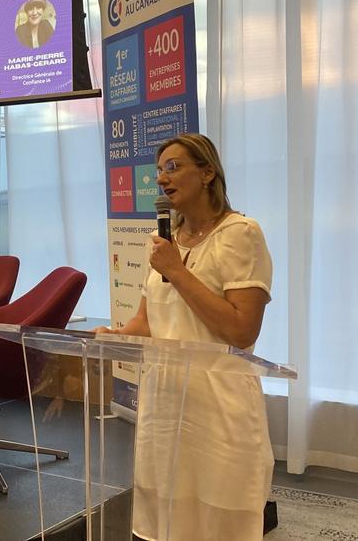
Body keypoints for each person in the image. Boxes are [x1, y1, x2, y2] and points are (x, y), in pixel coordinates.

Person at [96, 133, 273, 541]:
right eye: (159, 170)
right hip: (164, 403)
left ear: (207, 173)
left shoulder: (241, 233)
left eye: (173, 167)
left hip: (218, 403)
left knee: (217, 523)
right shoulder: (164, 243)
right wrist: (110, 337)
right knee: (165, 522)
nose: (162, 178)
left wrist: (176, 271)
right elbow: (147, 323)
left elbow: (242, 330)